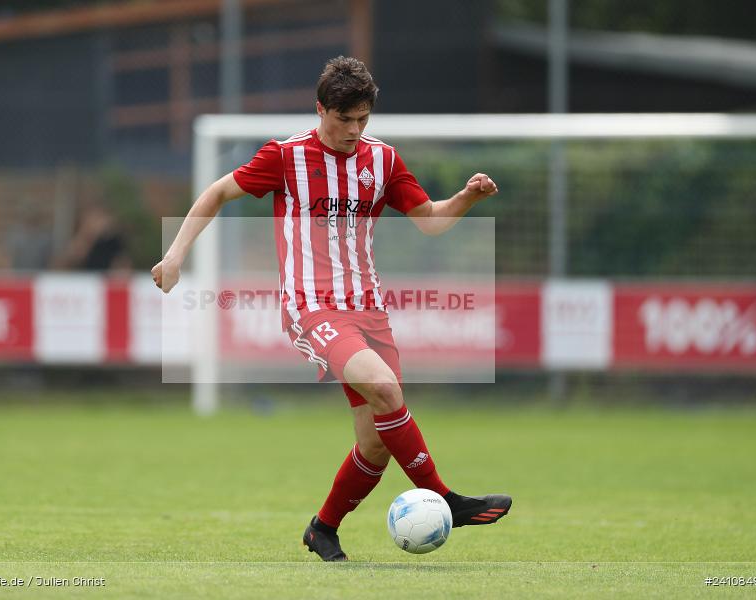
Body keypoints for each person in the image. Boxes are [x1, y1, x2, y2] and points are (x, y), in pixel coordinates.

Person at [151, 56, 511, 561]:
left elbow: (430, 219)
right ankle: (447, 499)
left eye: (362, 119)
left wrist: (467, 198)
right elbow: (218, 192)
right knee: (385, 389)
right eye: (344, 119)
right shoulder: (286, 156)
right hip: (312, 307)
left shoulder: (382, 160)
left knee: (376, 443)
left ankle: (323, 528)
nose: (353, 130)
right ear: (321, 109)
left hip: (369, 308)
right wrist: (174, 255)